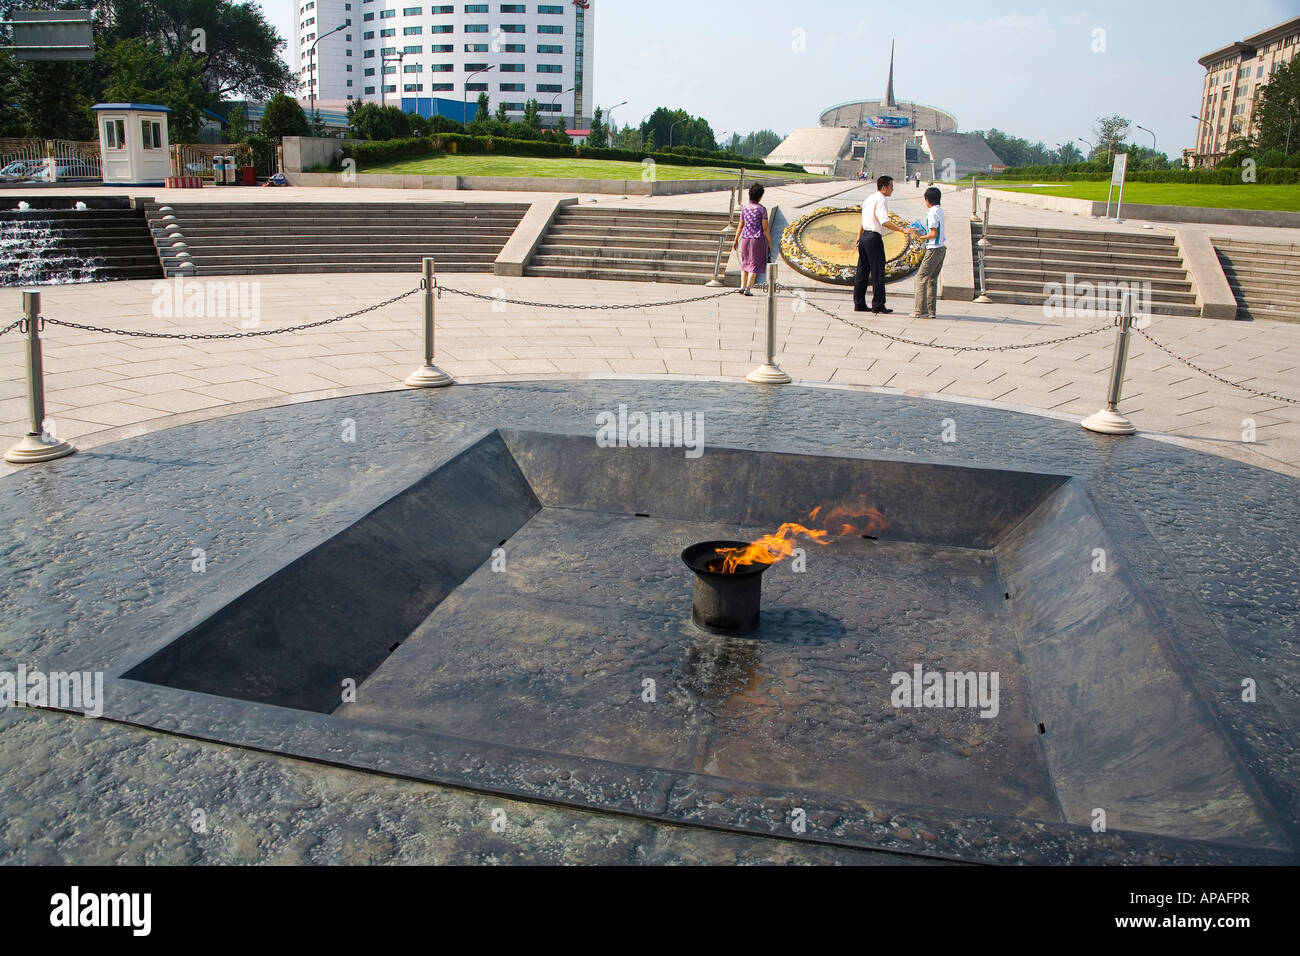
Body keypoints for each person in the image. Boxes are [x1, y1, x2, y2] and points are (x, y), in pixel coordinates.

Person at [854, 175, 907, 314]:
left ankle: (859, 303)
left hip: (865, 236)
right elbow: (884, 221)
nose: (892, 190)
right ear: (884, 188)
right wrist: (901, 229)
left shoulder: (869, 198)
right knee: (877, 271)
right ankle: (878, 304)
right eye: (891, 187)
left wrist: (859, 236)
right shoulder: (881, 200)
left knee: (862, 271)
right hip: (873, 238)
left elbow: (863, 219)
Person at [907, 186, 946, 318]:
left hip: (933, 249)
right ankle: (931, 311)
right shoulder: (939, 211)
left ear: (927, 199)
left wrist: (920, 236)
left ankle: (919, 310)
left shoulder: (932, 213)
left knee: (921, 278)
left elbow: (933, 233)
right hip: (941, 249)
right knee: (931, 280)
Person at [732, 183, 771, 296]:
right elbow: (765, 228)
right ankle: (748, 289)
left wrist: (735, 240)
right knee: (754, 264)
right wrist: (769, 242)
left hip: (745, 238)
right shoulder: (761, 209)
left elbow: (740, 226)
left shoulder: (744, 208)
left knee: (745, 263)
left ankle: (742, 286)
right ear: (760, 196)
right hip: (757, 239)